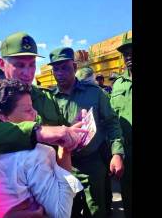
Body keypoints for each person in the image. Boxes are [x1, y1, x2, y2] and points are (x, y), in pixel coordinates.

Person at [0, 32, 87, 158]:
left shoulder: (46, 97)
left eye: (32, 65)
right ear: (2, 64)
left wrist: (75, 127)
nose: (27, 73)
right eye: (19, 65)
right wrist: (36, 132)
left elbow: (61, 130)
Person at [0, 79, 84, 217]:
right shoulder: (34, 155)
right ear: (4, 117)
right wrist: (65, 149)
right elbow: (61, 213)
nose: (35, 114)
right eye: (28, 110)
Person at [48, 47, 125, 217]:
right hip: (64, 164)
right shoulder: (49, 98)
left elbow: (112, 123)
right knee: (69, 210)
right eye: (56, 69)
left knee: (97, 209)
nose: (59, 73)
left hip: (93, 163)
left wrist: (117, 153)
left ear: (75, 68)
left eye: (65, 67)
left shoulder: (94, 93)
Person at [110, 38, 132, 218]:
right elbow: (111, 118)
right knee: (128, 194)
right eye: (126, 54)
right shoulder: (117, 84)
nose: (129, 57)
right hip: (126, 151)